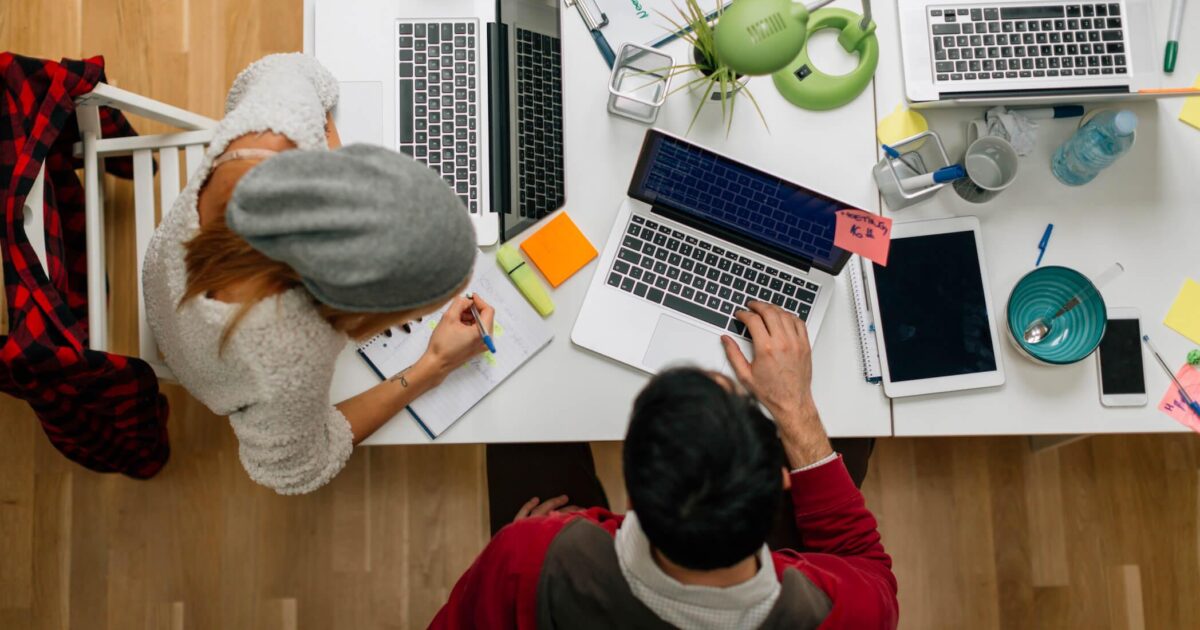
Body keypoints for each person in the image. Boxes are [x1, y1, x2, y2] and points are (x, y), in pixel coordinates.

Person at [143, 53, 493, 495]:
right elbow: (294, 470)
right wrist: (433, 366)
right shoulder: (290, 355)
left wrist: (337, 186)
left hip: (167, 263)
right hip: (196, 354)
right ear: (362, 312)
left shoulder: (273, 132)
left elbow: (300, 71)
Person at [432, 302, 898, 628]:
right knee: (853, 420)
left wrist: (528, 545)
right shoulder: (837, 611)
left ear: (630, 498)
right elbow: (870, 568)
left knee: (521, 426)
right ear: (780, 479)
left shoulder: (535, 557)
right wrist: (795, 409)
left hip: (561, 568)